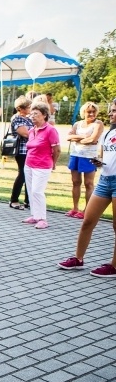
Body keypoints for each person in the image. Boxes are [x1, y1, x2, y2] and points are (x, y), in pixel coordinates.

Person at [58, 101, 116, 277]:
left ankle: (114, 265)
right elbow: (105, 156)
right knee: (88, 221)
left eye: (115, 111)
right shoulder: (108, 133)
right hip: (105, 180)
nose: (111, 113)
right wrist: (99, 162)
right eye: (111, 110)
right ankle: (78, 259)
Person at [22, 101, 61, 229]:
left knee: (37, 191)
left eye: (36, 114)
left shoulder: (50, 130)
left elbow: (57, 150)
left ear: (44, 115)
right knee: (31, 191)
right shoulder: (32, 130)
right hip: (29, 164)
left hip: (43, 165)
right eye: (31, 113)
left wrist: (53, 163)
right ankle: (35, 215)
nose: (32, 116)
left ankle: (43, 218)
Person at [66, 102, 104, 218]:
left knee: (89, 183)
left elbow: (94, 139)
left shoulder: (98, 124)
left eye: (93, 111)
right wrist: (85, 138)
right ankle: (75, 208)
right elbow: (68, 137)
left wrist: (77, 139)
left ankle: (87, 210)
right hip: (76, 155)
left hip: (89, 157)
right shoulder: (78, 124)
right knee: (75, 182)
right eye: (89, 112)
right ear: (84, 113)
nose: (91, 114)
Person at [8, 96, 33, 209]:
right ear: (20, 108)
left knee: (30, 175)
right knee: (22, 174)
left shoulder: (28, 118)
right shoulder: (17, 118)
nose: (30, 109)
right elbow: (25, 133)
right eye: (28, 107)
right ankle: (14, 200)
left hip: (30, 150)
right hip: (22, 150)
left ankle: (28, 200)